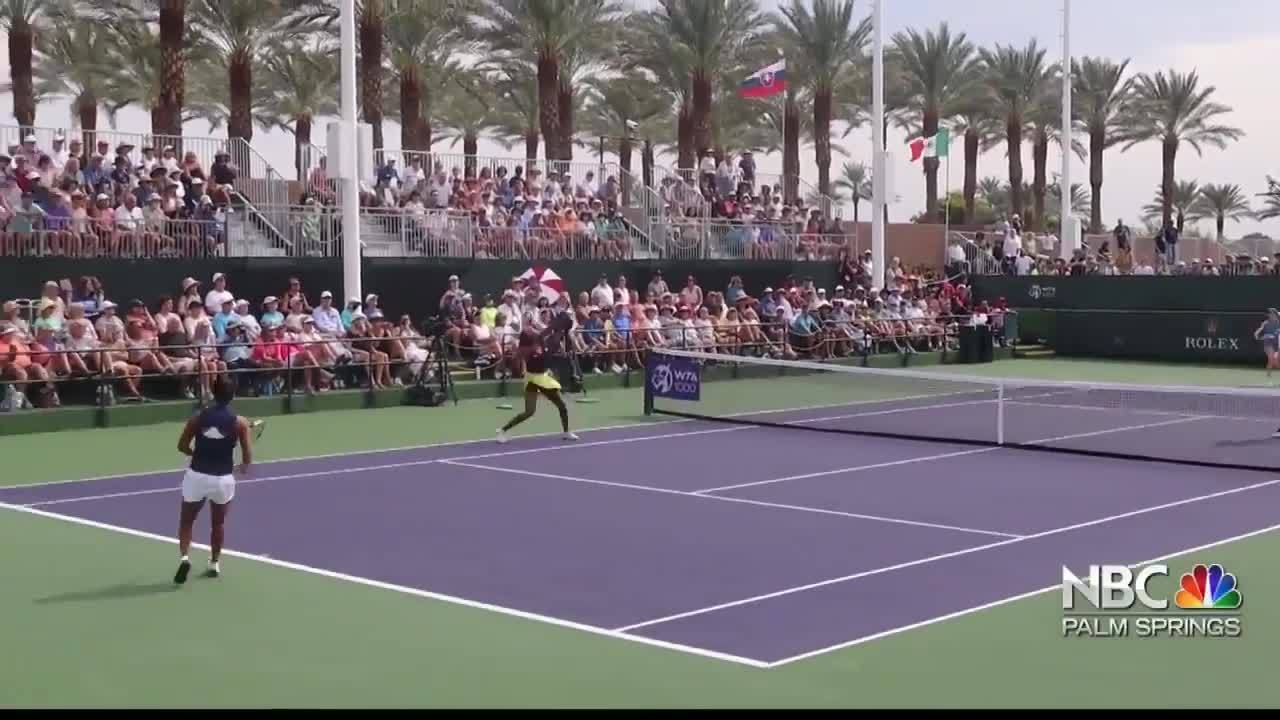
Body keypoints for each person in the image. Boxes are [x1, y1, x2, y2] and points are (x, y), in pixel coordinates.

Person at [173, 376, 254, 584]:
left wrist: (194, 453)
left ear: (212, 391)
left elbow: (181, 445)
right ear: (232, 395)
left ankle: (184, 558)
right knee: (218, 523)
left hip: (196, 476)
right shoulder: (240, 423)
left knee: (186, 521)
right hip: (223, 480)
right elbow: (247, 462)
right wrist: (240, 467)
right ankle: (214, 563)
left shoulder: (197, 418)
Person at [496, 327, 578, 443]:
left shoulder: (540, 341)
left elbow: (550, 344)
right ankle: (503, 430)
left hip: (543, 378)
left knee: (562, 406)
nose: (534, 331)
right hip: (532, 380)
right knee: (529, 412)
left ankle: (566, 432)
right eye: (531, 331)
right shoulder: (525, 350)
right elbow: (519, 359)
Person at [1255, 308, 1280, 385]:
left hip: (1277, 344)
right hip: (1268, 344)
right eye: (1269, 314)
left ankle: (1269, 377)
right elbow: (1259, 331)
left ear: (1275, 314)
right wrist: (1257, 334)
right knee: (1271, 358)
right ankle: (1269, 378)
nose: (1270, 315)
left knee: (1275, 361)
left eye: (1272, 313)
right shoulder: (1265, 323)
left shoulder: (1279, 323)